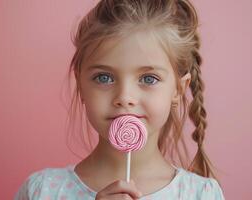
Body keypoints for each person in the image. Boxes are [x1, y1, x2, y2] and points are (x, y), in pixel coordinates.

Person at [14, 0, 225, 199]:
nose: (124, 97)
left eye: (148, 78)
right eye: (104, 78)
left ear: (178, 90)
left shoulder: (202, 195)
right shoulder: (41, 191)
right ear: (80, 84)